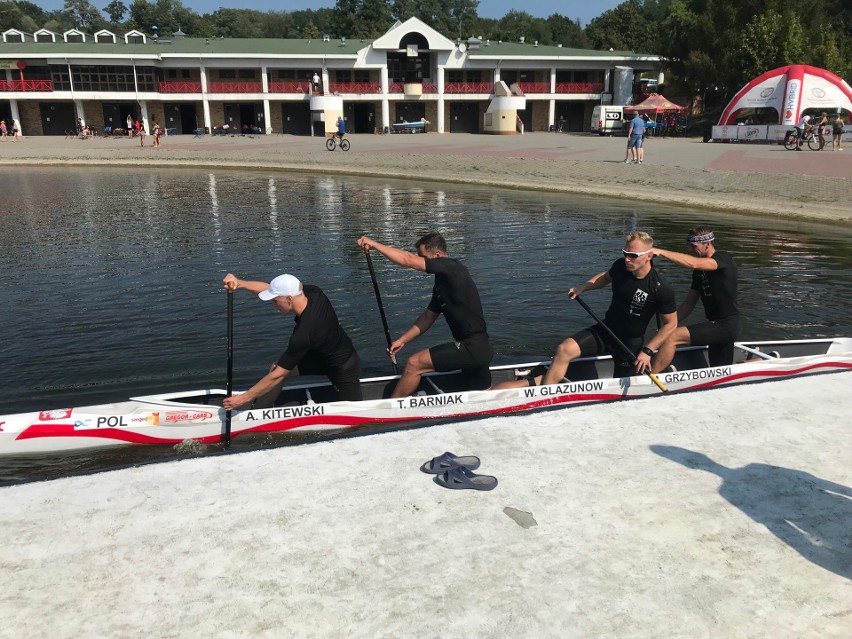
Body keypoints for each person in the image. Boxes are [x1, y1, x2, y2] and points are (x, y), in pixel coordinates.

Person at [492, 232, 677, 390]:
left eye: (633, 255)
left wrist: (647, 351)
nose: (627, 258)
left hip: (629, 344)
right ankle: (545, 395)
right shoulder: (621, 267)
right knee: (564, 349)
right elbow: (605, 278)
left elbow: (671, 324)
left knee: (622, 384)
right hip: (606, 330)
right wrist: (583, 288)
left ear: (649, 256)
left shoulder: (661, 287)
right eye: (625, 253)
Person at [356, 232, 493, 398]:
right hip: (476, 348)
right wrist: (402, 340)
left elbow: (407, 260)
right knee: (485, 395)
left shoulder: (452, 267)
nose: (420, 260)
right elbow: (428, 316)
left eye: (423, 257)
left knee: (414, 363)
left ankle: (391, 410)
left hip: (473, 347)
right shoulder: (442, 283)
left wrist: (375, 244)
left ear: (437, 255)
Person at [221, 273, 362, 410]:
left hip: (343, 366)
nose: (273, 305)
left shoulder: (305, 333)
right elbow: (269, 288)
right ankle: (257, 412)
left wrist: (243, 398)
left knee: (356, 414)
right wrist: (240, 283)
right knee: (276, 367)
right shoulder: (313, 292)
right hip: (319, 356)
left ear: (289, 299)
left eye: (275, 301)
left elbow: (278, 376)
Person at [650, 226, 740, 372]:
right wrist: (668, 325)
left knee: (671, 337)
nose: (690, 250)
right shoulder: (699, 273)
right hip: (715, 326)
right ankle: (755, 362)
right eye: (689, 246)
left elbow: (694, 263)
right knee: (719, 372)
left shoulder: (723, 259)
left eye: (693, 246)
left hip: (727, 325)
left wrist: (661, 251)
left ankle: (649, 379)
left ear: (708, 243)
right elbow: (688, 304)